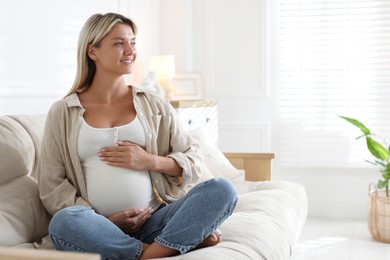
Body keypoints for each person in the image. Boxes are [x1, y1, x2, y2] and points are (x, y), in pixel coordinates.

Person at [38, 12, 238, 260]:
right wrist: (105, 222)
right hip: (98, 228)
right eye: (119, 43)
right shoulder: (63, 112)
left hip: (156, 221)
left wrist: (150, 161)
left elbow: (193, 159)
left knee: (222, 189)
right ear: (93, 51)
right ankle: (165, 248)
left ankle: (149, 251)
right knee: (64, 222)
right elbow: (51, 185)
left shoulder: (154, 104)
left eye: (132, 42)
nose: (130, 50)